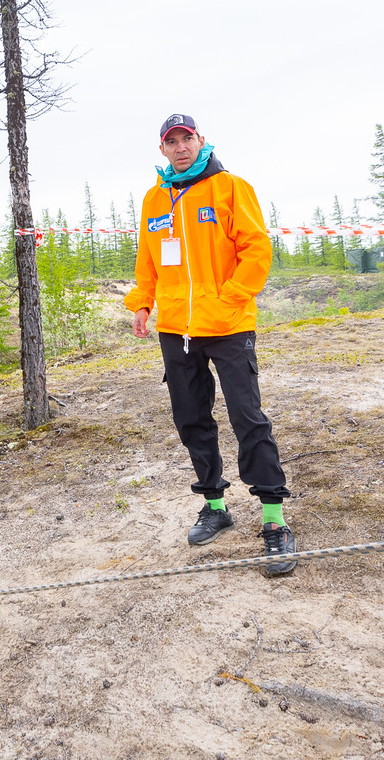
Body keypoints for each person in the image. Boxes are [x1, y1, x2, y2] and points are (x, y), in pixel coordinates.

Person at [124, 114, 296, 576]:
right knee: (192, 418)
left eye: (187, 138)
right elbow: (148, 259)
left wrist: (231, 297)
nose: (180, 147)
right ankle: (215, 506)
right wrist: (143, 302)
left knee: (248, 417)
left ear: (201, 141)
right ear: (162, 149)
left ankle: (274, 521)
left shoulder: (230, 187)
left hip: (228, 325)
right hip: (177, 330)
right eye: (171, 141)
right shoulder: (154, 199)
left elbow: (256, 250)